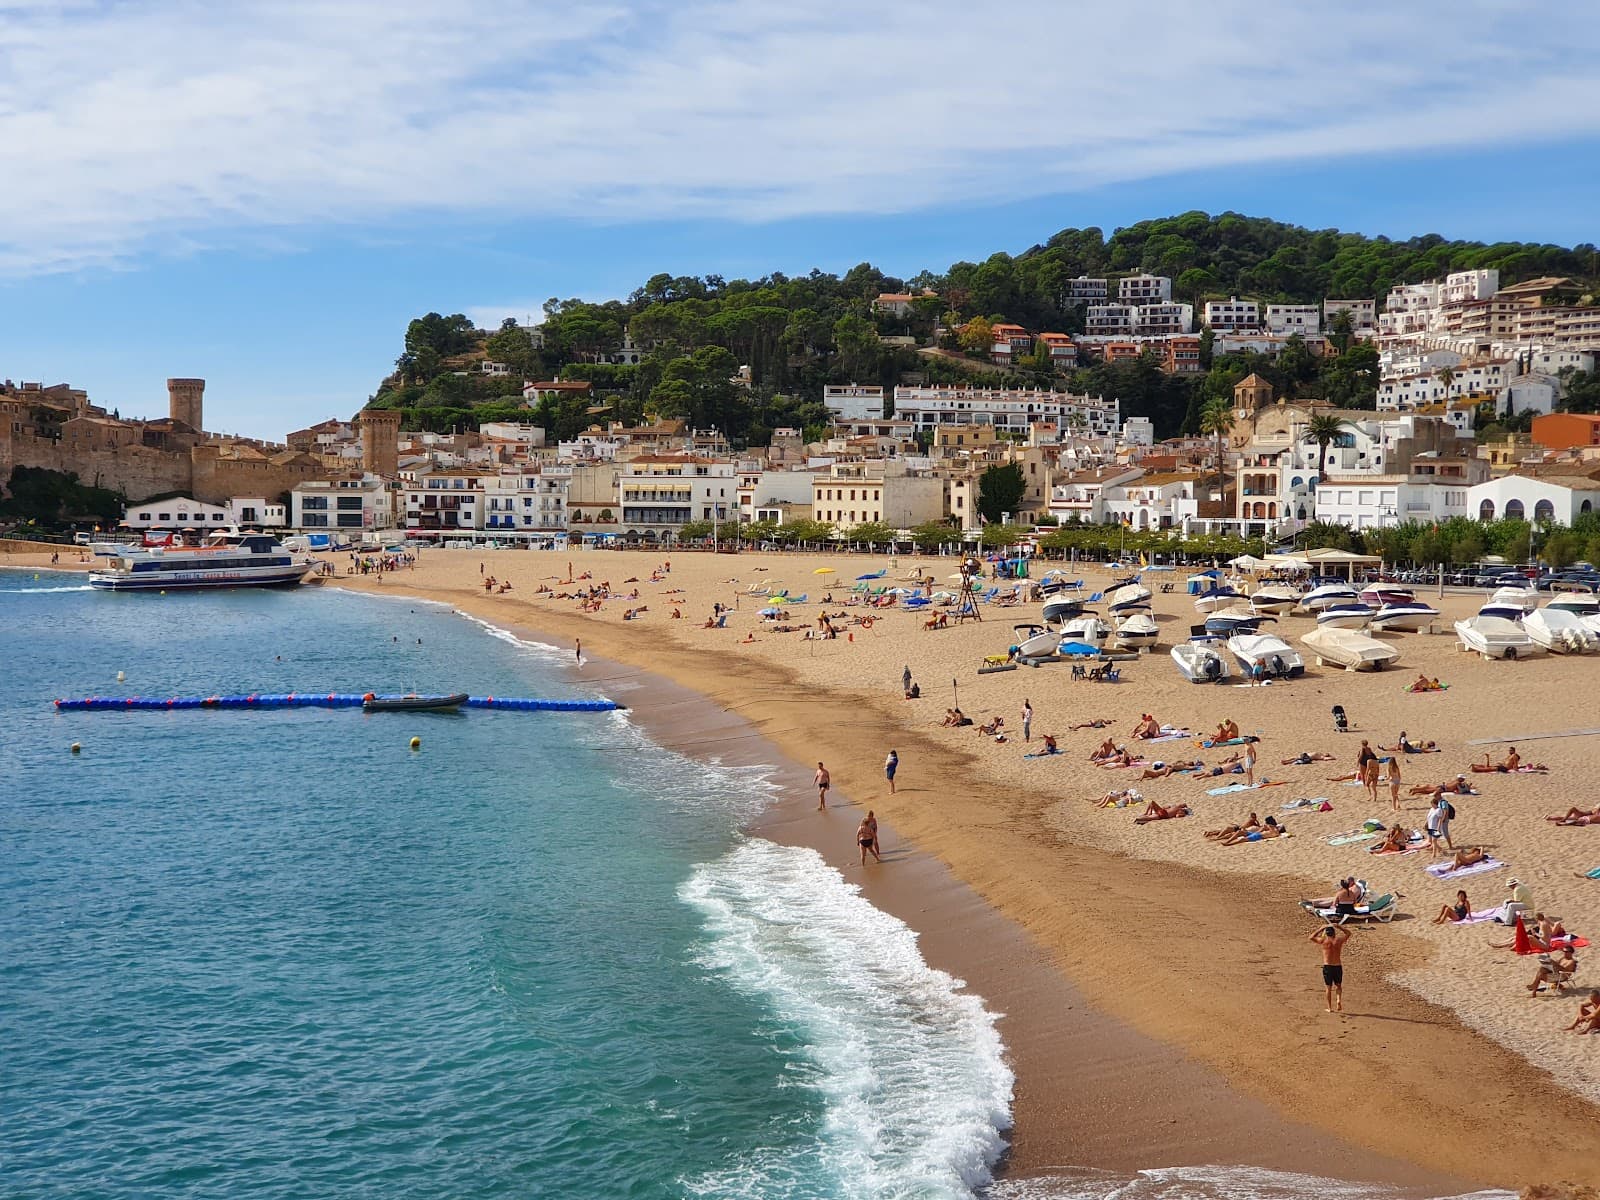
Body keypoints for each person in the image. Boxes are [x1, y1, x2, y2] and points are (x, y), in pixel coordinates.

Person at [1310, 924, 1351, 1012]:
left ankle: (1329, 1007)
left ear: (1326, 933)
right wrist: (1339, 926)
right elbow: (1348, 933)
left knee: (1328, 987)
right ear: (1334, 933)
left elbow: (1311, 937)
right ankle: (1338, 1000)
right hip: (1337, 965)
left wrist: (1321, 928)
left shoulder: (1323, 940)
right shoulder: (1338, 940)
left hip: (1328, 966)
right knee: (1338, 985)